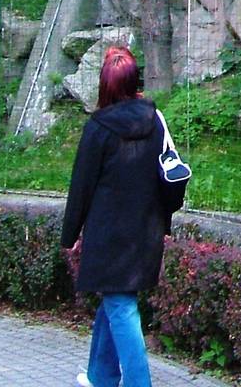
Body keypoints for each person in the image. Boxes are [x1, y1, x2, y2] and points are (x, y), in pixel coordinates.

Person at [61, 46, 187, 387]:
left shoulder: (97, 128)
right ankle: (100, 376)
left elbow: (81, 188)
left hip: (108, 236)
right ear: (134, 81)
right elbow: (171, 173)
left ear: (105, 85)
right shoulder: (155, 119)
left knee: (121, 307)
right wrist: (165, 218)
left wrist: (69, 236)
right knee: (115, 299)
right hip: (146, 230)